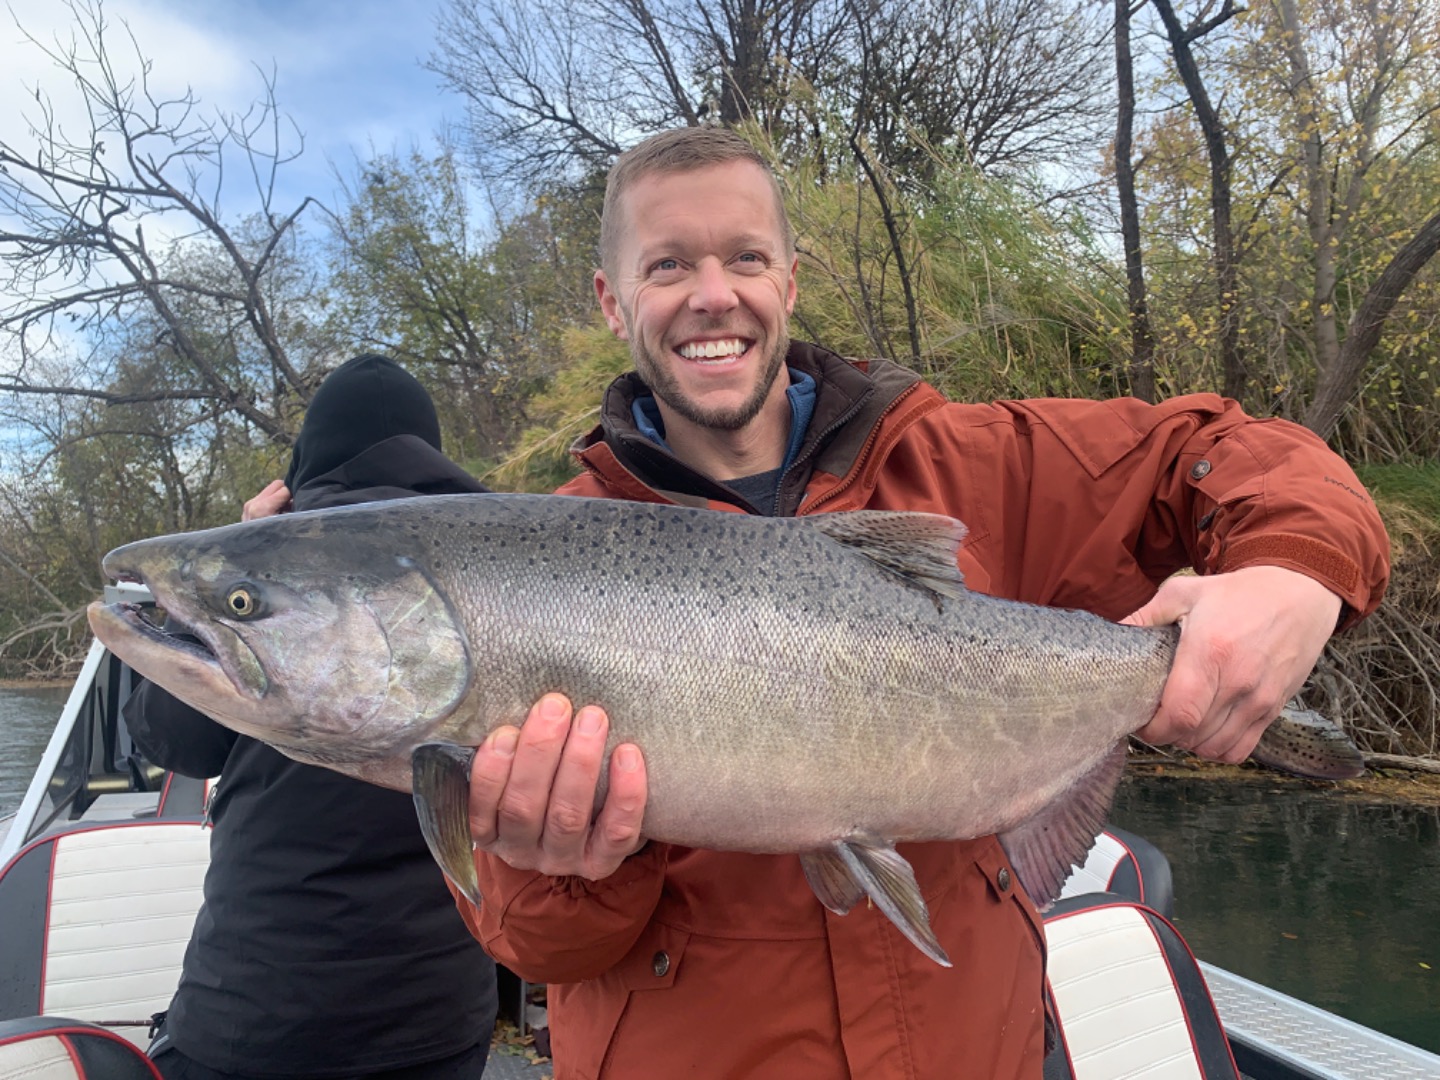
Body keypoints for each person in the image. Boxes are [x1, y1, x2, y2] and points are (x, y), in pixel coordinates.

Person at [447, 129, 1391, 1079]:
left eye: (744, 257)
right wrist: (563, 861)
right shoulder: (530, 569)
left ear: (790, 281)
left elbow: (1234, 451)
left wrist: (1291, 576)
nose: (712, 294)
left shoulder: (972, 464)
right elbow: (537, 953)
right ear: (612, 301)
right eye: (666, 265)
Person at [125, 354, 499, 1080]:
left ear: (302, 468)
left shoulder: (272, 584)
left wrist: (241, 551)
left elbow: (173, 740)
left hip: (259, 1004)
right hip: (439, 1012)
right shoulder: (488, 558)